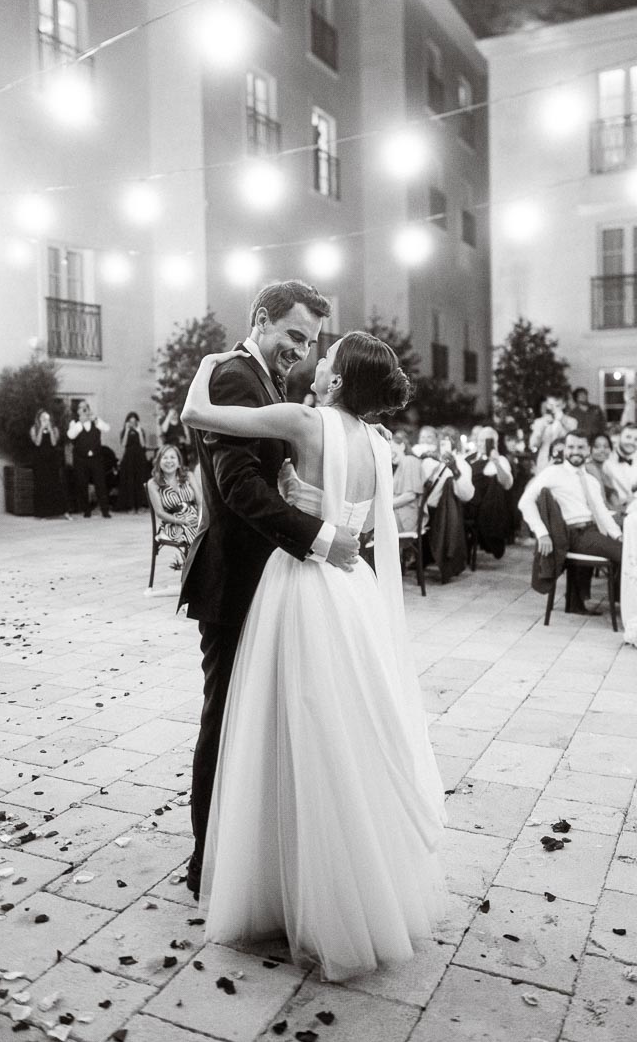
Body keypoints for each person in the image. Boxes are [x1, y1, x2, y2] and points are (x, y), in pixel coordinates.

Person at [181, 330, 445, 980]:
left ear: (338, 380)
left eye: (326, 358)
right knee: (343, 731)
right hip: (351, 593)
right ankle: (351, 878)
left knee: (291, 724)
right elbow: (366, 538)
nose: (316, 361)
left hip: (300, 585)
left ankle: (284, 877)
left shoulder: (306, 421)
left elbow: (197, 415)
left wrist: (209, 366)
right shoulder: (378, 445)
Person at [178, 281, 361, 905]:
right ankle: (208, 864)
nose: (302, 353)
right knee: (224, 718)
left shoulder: (268, 383)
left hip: (267, 580)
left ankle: (248, 859)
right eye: (293, 337)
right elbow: (238, 490)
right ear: (261, 320)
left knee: (253, 724)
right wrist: (318, 537)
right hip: (234, 579)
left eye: (310, 343)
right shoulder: (233, 375)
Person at [519, 431, 622, 613]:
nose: (575, 451)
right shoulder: (553, 473)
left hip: (591, 530)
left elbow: (602, 512)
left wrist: (618, 535)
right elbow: (525, 501)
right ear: (564, 449)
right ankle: (623, 603)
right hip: (571, 535)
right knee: (625, 554)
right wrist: (541, 532)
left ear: (588, 450)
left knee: (628, 547)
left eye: (580, 447)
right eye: (571, 447)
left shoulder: (591, 480)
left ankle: (578, 602)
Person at [465, 426, 513, 560]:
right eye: (480, 441)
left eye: (486, 441)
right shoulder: (468, 458)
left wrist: (496, 463)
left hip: (482, 506)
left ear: (495, 443)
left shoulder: (500, 460)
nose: (482, 444)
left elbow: (507, 485)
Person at [147, 443, 200, 562]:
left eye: (172, 457)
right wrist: (181, 521)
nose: (169, 461)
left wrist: (201, 520)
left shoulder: (188, 476)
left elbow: (200, 501)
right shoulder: (153, 483)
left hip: (195, 518)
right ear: (158, 462)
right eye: (164, 458)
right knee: (194, 533)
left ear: (179, 462)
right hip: (173, 523)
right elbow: (160, 513)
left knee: (213, 530)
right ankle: (195, 572)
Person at [67, 401, 112, 518]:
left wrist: (95, 418)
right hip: (81, 459)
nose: (84, 410)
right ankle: (86, 510)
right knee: (82, 484)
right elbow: (71, 435)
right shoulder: (74, 423)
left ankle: (105, 510)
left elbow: (106, 428)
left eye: (86, 408)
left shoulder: (95, 421)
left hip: (96, 458)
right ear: (78, 411)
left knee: (100, 483)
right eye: (81, 408)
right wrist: (80, 423)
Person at [603, 423, 637, 515]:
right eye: (628, 437)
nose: (631, 442)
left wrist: (635, 497)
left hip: (633, 507)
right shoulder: (606, 459)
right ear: (620, 437)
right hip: (611, 511)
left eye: (636, 439)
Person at [29, 409, 68, 518]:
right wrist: (41, 428)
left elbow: (54, 443)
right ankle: (42, 513)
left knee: (54, 483)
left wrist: (50, 429)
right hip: (40, 460)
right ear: (39, 419)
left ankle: (57, 511)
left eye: (46, 418)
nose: (45, 420)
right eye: (42, 418)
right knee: (41, 484)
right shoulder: (34, 429)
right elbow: (37, 443)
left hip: (51, 460)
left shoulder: (54, 429)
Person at [390, 429, 425, 534]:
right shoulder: (401, 466)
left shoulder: (409, 461)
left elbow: (410, 495)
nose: (389, 453)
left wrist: (385, 506)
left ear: (402, 446)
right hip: (399, 515)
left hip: (405, 518)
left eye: (391, 447)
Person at [529, 396, 577, 472]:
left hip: (565, 462)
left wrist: (561, 419)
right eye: (551, 405)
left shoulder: (571, 421)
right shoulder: (540, 422)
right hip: (545, 463)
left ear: (563, 405)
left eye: (557, 405)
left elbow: (574, 438)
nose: (553, 409)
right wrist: (542, 427)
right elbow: (533, 445)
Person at [118, 411, 149, 512]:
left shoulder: (141, 431)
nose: (132, 423)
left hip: (140, 457)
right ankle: (130, 506)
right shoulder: (124, 431)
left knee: (140, 481)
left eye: (134, 421)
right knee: (129, 481)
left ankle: (141, 505)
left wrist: (139, 431)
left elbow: (143, 444)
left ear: (137, 422)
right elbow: (123, 444)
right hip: (129, 458)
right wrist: (127, 430)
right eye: (130, 421)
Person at [585, 432, 621, 513]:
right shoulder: (590, 468)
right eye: (596, 447)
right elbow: (603, 504)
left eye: (606, 446)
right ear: (589, 449)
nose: (602, 450)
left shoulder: (605, 473)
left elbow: (615, 502)